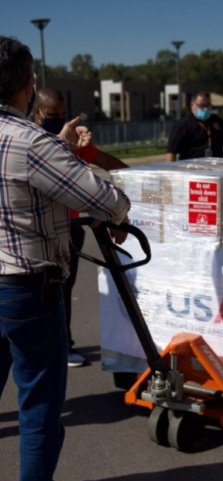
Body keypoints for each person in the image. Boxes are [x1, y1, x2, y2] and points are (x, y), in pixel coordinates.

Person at [0, 36, 131, 481]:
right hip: (26, 290)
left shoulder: (34, 144)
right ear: (29, 86)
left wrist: (56, 146)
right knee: (37, 401)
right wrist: (120, 209)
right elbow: (104, 199)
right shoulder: (31, 143)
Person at [34, 88, 130, 367]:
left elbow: (105, 162)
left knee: (63, 290)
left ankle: (63, 346)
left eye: (62, 115)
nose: (58, 120)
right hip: (41, 227)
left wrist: (138, 179)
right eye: (52, 115)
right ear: (37, 113)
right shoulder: (34, 143)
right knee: (39, 293)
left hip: (71, 224)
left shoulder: (73, 142)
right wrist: (117, 211)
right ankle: (48, 348)